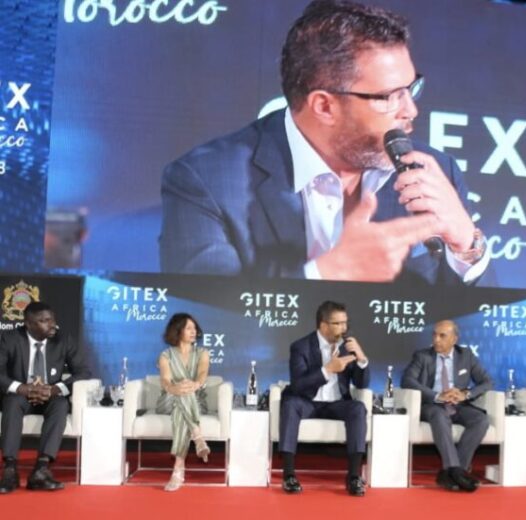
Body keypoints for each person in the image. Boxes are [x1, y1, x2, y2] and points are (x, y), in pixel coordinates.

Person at [160, 0, 489, 285]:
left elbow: (483, 324)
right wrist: (329, 273)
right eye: (389, 96)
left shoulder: (435, 170)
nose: (410, 110)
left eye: (410, 88)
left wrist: (467, 245)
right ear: (324, 106)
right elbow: (204, 318)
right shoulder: (206, 182)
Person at [279, 301, 370, 496]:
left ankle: (354, 476)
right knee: (290, 404)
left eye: (345, 323)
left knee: (358, 408)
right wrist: (327, 369)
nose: (343, 328)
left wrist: (361, 358)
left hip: (337, 403)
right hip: (308, 402)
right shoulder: (301, 347)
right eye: (338, 323)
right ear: (323, 325)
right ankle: (289, 475)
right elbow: (298, 384)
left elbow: (362, 384)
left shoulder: (348, 347)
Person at [0, 302, 91, 493]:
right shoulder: (10, 338)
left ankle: (41, 469)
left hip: (50, 395)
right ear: (28, 324)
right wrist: (22, 388)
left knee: (60, 405)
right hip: (20, 395)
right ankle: (10, 469)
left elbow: (83, 372)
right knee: (12, 402)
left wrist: (55, 389)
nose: (52, 325)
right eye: (44, 321)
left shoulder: (63, 339)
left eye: (52, 320)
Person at [401, 320, 492, 492]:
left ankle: (454, 472)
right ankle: (456, 471)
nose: (436, 339)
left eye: (442, 336)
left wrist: (466, 394)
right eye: (434, 335)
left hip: (458, 405)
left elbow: (487, 382)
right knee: (439, 415)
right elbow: (407, 380)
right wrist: (437, 396)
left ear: (454, 339)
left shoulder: (466, 355)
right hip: (432, 404)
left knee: (481, 420)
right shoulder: (422, 356)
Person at [155, 313, 211, 492]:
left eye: (195, 328)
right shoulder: (166, 355)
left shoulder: (202, 353)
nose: (194, 332)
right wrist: (175, 388)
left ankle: (178, 468)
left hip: (195, 400)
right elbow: (165, 381)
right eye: (189, 328)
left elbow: (202, 373)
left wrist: (194, 384)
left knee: (184, 399)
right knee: (182, 392)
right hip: (168, 399)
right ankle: (198, 436)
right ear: (177, 331)